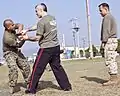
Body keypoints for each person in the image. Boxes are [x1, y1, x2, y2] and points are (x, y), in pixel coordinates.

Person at [21, 3, 72, 95]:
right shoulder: (52, 18)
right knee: (57, 67)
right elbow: (38, 26)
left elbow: (37, 38)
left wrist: (26, 38)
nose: (36, 13)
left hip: (46, 49)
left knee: (37, 68)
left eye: (36, 11)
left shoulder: (41, 22)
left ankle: (31, 89)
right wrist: (27, 29)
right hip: (56, 47)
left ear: (41, 10)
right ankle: (67, 87)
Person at [2, 19, 31, 93]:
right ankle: (12, 86)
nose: (14, 25)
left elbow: (20, 25)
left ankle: (29, 83)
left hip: (16, 51)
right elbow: (19, 45)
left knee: (26, 66)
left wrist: (19, 32)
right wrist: (24, 39)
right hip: (9, 52)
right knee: (13, 68)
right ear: (8, 27)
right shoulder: (7, 38)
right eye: (12, 25)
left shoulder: (12, 28)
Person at [98, 3, 119, 86]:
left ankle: (114, 78)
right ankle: (114, 77)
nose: (100, 12)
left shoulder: (107, 17)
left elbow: (106, 31)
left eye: (101, 10)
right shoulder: (111, 17)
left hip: (109, 40)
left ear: (106, 9)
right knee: (112, 58)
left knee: (110, 59)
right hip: (113, 40)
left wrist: (103, 41)